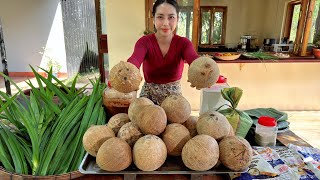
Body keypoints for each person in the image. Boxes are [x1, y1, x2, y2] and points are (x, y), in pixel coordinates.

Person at [127, 0, 199, 105]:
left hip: (175, 102)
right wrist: (127, 70)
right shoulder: (144, 42)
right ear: (153, 19)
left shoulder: (184, 43)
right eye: (160, 17)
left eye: (171, 17)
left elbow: (195, 61)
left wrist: (204, 70)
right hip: (148, 100)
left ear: (177, 19)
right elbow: (135, 59)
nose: (165, 23)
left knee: (176, 121)